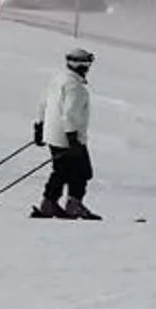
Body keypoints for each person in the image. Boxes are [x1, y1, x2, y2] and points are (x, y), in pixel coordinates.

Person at [31, 47, 98, 219]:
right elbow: (69, 114)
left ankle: (49, 203)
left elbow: (43, 103)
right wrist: (72, 138)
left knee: (61, 171)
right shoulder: (75, 87)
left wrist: (39, 127)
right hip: (67, 136)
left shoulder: (58, 79)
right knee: (82, 171)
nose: (88, 67)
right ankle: (73, 204)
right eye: (87, 64)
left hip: (52, 134)